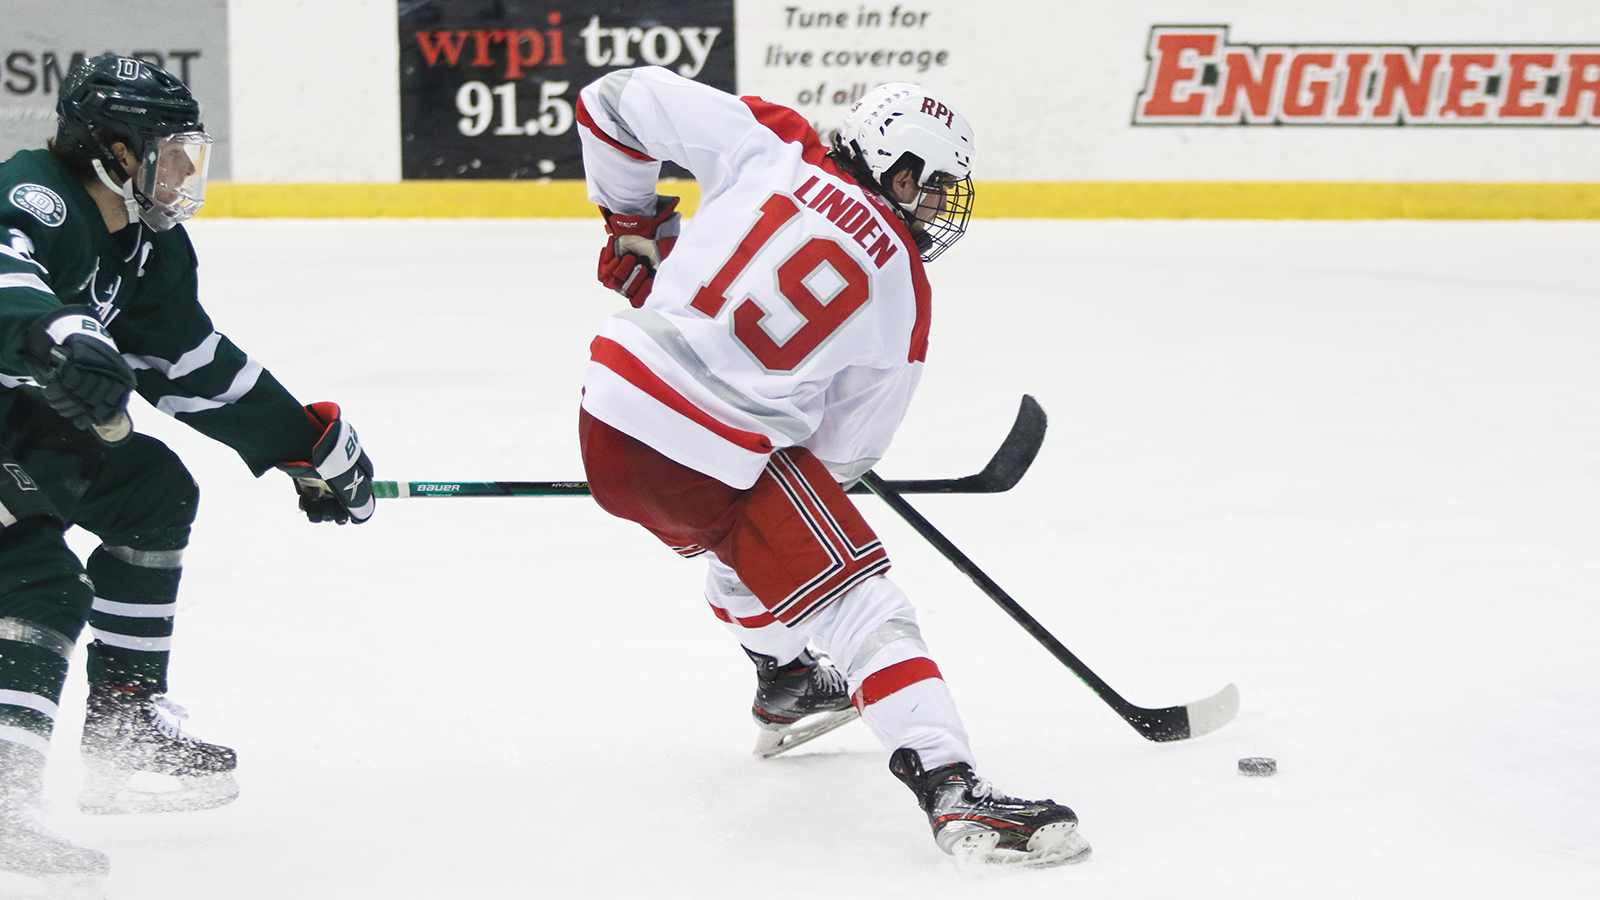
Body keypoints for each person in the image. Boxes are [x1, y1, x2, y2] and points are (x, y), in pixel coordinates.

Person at [574, 66, 1089, 868]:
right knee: (858, 601)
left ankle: (785, 681)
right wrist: (799, 452)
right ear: (901, 169)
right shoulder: (905, 289)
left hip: (609, 410)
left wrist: (630, 223)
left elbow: (608, 102)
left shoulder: (774, 140)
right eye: (934, 188)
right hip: (708, 450)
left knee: (752, 539)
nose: (935, 210)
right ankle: (954, 792)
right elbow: (843, 457)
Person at [0, 55, 375, 878]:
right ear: (115, 151)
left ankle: (124, 726)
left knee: (151, 490)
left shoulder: (144, 244)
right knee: (38, 582)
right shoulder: (34, 197)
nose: (182, 171)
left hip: (22, 427)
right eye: (167, 152)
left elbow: (187, 358)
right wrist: (54, 333)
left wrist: (297, 444)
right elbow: (5, 279)